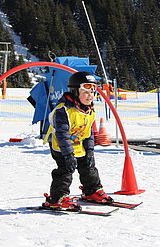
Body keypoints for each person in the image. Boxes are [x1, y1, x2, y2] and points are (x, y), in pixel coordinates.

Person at [43, 71, 113, 209]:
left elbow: (89, 134)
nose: (90, 96)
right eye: (86, 92)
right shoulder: (64, 110)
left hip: (78, 145)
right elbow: (62, 134)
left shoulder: (89, 111)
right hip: (61, 146)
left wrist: (90, 150)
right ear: (75, 91)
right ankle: (58, 197)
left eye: (93, 92)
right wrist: (68, 154)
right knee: (65, 170)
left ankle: (92, 190)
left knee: (88, 167)